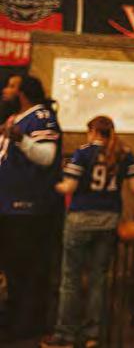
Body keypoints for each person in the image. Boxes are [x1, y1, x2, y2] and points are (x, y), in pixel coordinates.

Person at [41, 116, 134, 348]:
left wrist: (48, 184)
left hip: (80, 221)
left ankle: (66, 335)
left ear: (92, 132)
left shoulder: (82, 153)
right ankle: (93, 335)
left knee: (70, 280)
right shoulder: (123, 153)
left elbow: (68, 187)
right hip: (108, 222)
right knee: (98, 279)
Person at [0, 74, 62, 342]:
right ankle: (12, 319)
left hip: (28, 209)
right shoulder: (16, 118)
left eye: (12, 86)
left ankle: (26, 326)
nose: (6, 90)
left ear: (23, 92)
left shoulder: (40, 116)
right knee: (12, 270)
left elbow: (46, 156)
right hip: (9, 206)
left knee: (27, 271)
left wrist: (21, 140)